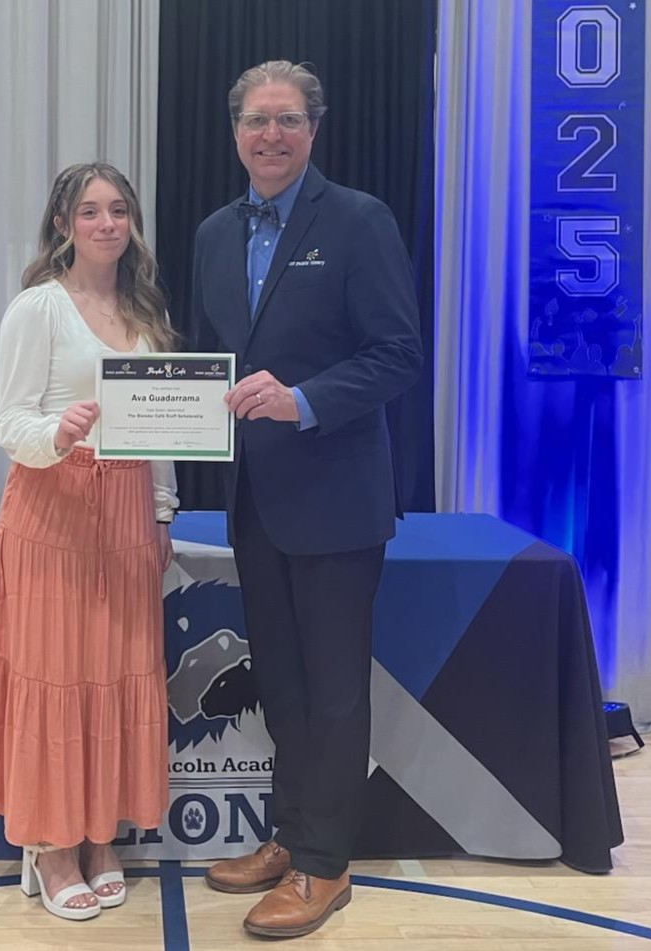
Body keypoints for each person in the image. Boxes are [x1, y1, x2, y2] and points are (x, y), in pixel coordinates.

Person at [191, 61, 423, 938]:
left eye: (288, 120)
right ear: (236, 131)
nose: (271, 136)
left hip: (336, 498)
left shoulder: (359, 221)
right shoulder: (216, 232)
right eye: (257, 121)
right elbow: (215, 361)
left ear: (314, 130)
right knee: (282, 685)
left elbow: (400, 354)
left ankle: (327, 867)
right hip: (254, 499)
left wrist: (304, 399)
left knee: (332, 690)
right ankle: (291, 836)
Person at [0, 162, 177, 922]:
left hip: (125, 517)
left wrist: (161, 513)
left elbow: (161, 433)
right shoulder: (37, 308)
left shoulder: (146, 312)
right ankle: (51, 841)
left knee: (115, 674)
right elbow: (6, 422)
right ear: (63, 224)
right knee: (54, 676)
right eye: (89, 211)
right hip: (54, 511)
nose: (106, 224)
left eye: (118, 210)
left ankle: (99, 834)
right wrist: (57, 432)